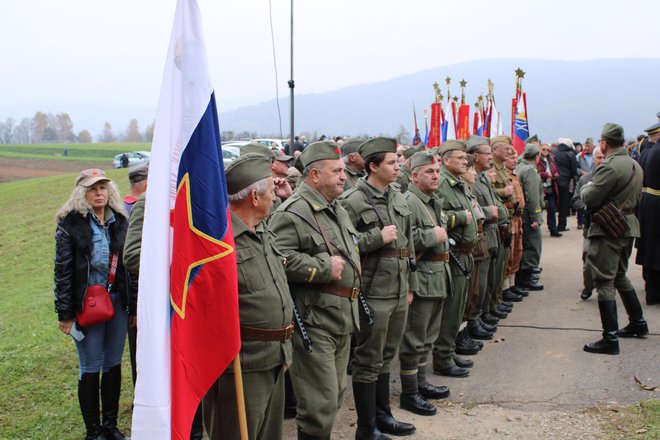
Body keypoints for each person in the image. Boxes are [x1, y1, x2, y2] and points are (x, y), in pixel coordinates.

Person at [268, 141, 361, 440]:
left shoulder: (334, 208)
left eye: (344, 171)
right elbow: (277, 258)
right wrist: (322, 267)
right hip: (315, 319)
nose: (343, 176)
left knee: (333, 397)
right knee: (318, 405)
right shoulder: (293, 212)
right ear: (315, 175)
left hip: (341, 317)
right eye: (336, 171)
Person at [202, 154, 294, 440]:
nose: (275, 197)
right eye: (271, 190)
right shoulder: (219, 241)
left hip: (274, 357)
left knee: (269, 434)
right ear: (255, 196)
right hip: (241, 366)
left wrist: (284, 348)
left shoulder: (263, 232)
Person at [340, 137, 417, 439]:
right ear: (373, 166)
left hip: (398, 288)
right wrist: (376, 237)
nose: (398, 166)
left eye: (398, 161)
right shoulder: (353, 201)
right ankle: (365, 426)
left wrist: (409, 285)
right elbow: (344, 247)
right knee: (368, 358)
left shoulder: (396, 195)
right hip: (373, 291)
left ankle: (383, 416)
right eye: (392, 162)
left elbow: (407, 245)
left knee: (387, 355)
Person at [54, 169, 132, 440]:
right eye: (92, 188)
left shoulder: (121, 220)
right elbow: (63, 270)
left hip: (117, 301)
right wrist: (65, 313)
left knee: (112, 364)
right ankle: (94, 431)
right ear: (81, 193)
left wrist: (131, 306)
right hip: (86, 305)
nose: (99, 193)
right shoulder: (70, 224)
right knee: (90, 366)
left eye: (103, 187)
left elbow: (128, 267)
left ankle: (110, 427)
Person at [582, 123, 648, 355]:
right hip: (629, 226)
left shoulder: (609, 167)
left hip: (609, 229)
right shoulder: (634, 164)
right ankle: (638, 323)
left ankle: (610, 339)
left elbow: (590, 197)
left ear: (604, 142)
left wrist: (587, 186)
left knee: (604, 281)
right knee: (620, 275)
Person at [398, 151, 451, 417]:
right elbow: (404, 240)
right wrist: (431, 235)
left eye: (438, 171)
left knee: (427, 337)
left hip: (436, 275)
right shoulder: (409, 201)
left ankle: (420, 384)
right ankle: (409, 393)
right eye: (429, 171)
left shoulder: (429, 201)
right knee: (414, 339)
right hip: (422, 278)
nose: (435, 176)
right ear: (414, 175)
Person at [432, 140, 478, 379]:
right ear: (446, 160)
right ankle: (443, 357)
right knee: (450, 311)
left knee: (459, 308)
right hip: (453, 254)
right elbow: (435, 215)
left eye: (465, 158)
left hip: (465, 253)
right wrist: (460, 218)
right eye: (460, 157)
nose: (465, 161)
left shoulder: (457, 184)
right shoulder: (441, 183)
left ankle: (449, 351)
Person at [121, 164, 148, 386]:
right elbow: (129, 262)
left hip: (138, 294)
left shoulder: (121, 208)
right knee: (142, 355)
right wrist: (134, 305)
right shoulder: (129, 211)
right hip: (138, 294)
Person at [572, 147, 605, 300]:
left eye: (605, 157)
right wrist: (586, 207)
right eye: (599, 157)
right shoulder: (585, 179)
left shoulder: (613, 179)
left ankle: (604, 288)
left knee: (607, 260)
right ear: (593, 159)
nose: (602, 160)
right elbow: (575, 200)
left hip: (608, 226)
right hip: (590, 226)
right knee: (587, 258)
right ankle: (588, 286)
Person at [635, 121, 660, 305]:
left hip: (648, 202)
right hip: (656, 204)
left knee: (651, 249)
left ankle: (652, 291)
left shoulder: (647, 152)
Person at [515, 144, 545, 291]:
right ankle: (525, 279)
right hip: (529, 215)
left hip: (523, 214)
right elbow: (532, 197)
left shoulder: (520, 167)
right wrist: (535, 217)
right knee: (533, 246)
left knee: (526, 245)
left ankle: (523, 277)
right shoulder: (530, 170)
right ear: (537, 157)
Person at [553, 138, 578, 232]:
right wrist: (571, 177)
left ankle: (552, 225)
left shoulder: (554, 151)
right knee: (563, 204)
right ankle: (561, 225)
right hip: (565, 181)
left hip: (554, 180)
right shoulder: (570, 154)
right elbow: (574, 169)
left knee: (553, 204)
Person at [538, 144, 561, 236]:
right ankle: (537, 228)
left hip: (551, 186)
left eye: (547, 149)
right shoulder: (537, 160)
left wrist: (555, 175)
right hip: (541, 187)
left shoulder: (551, 159)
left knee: (552, 208)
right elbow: (537, 172)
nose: (546, 151)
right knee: (539, 209)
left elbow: (555, 170)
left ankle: (553, 229)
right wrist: (546, 175)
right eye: (543, 149)